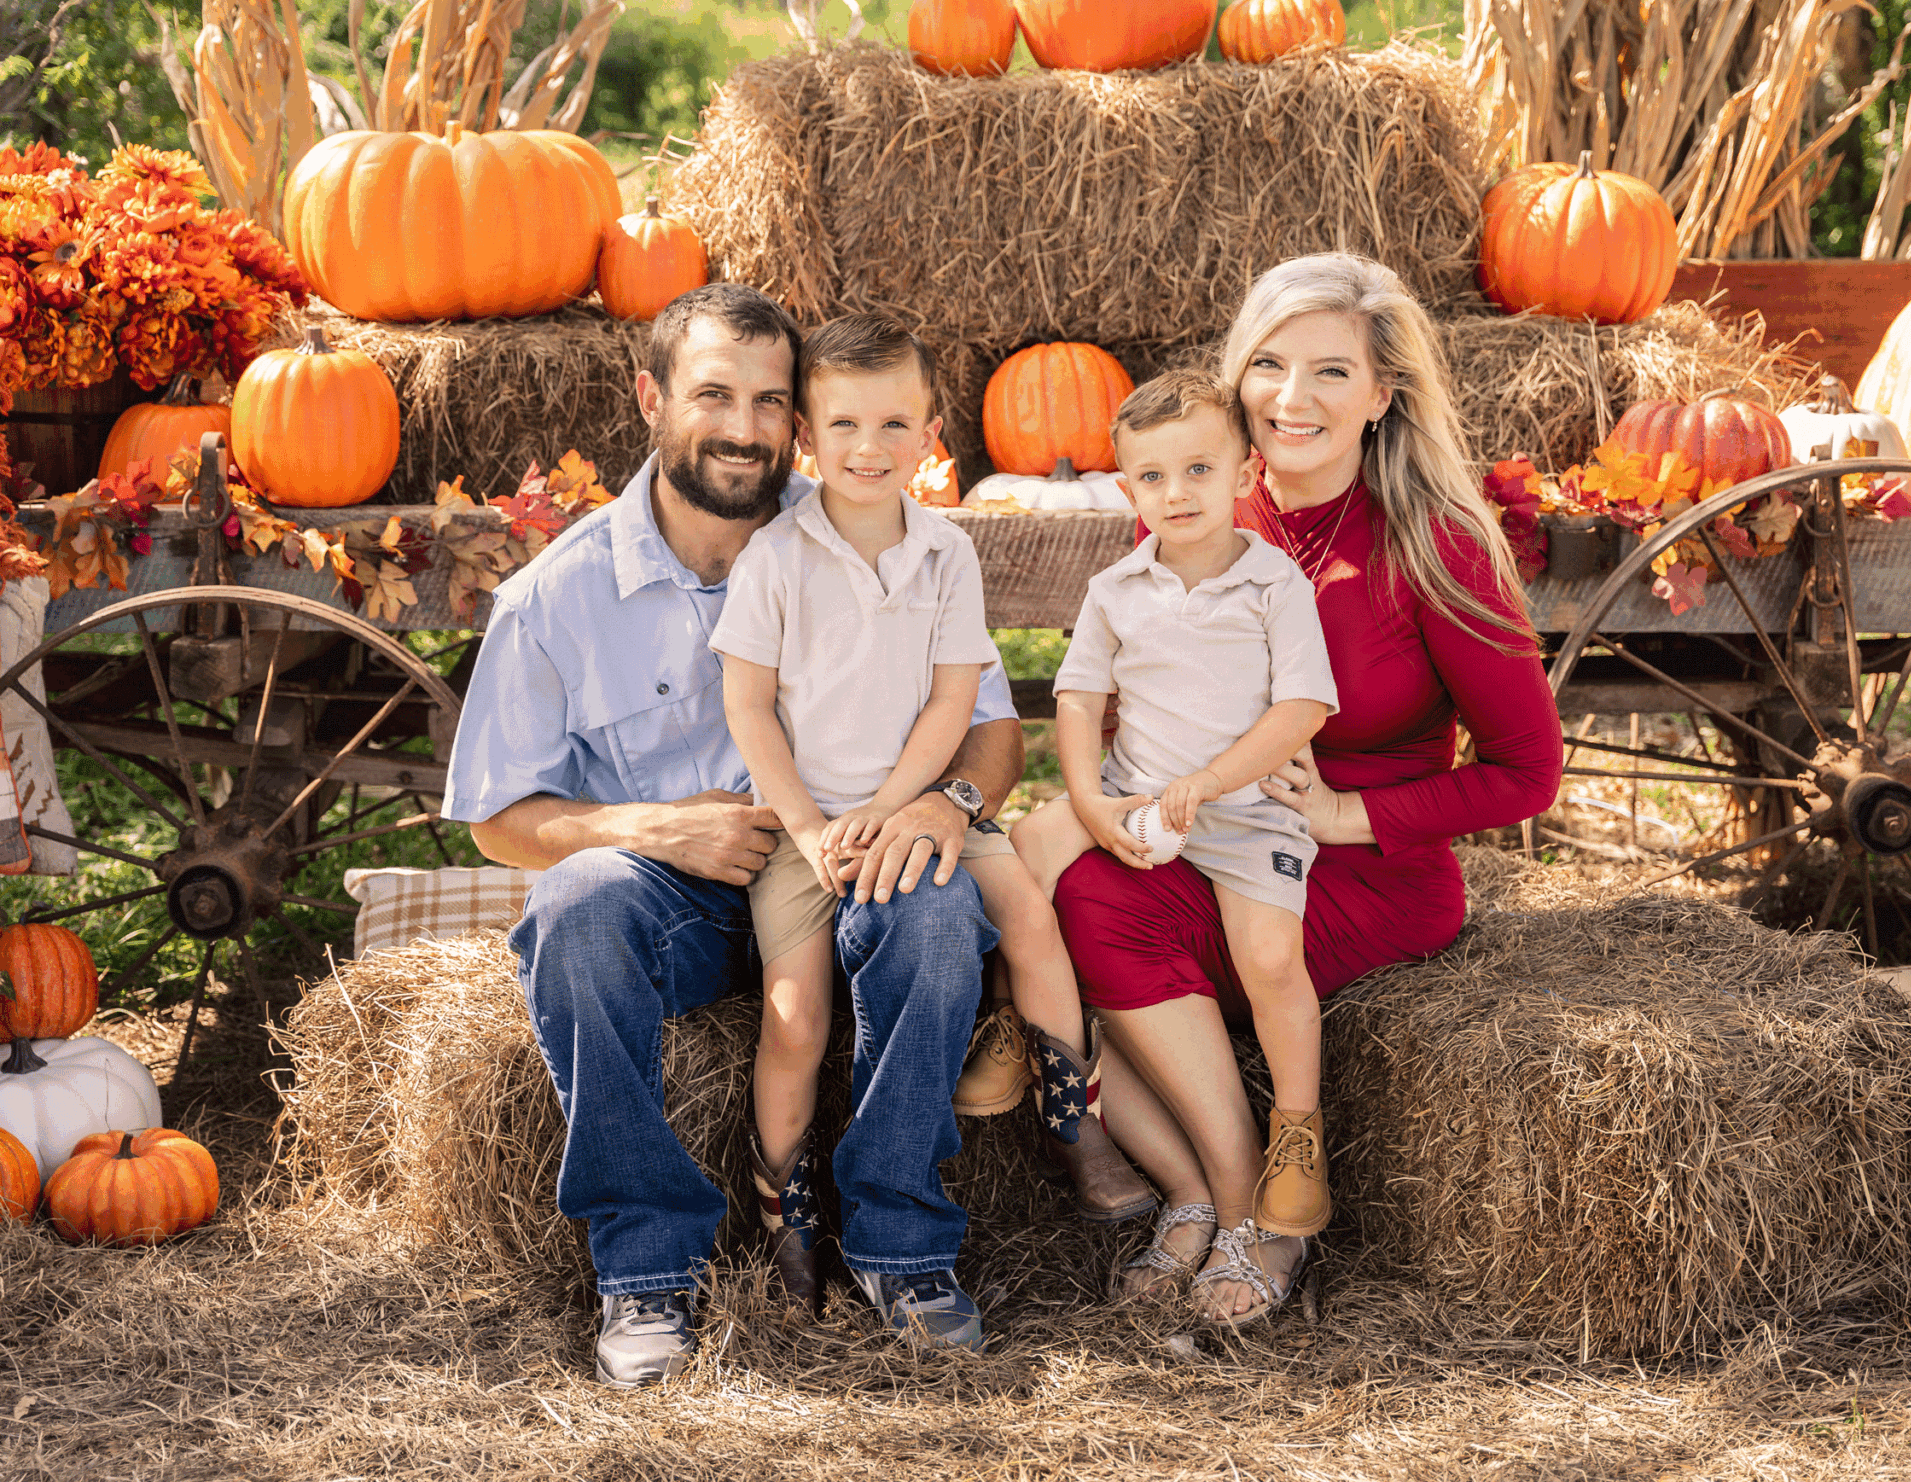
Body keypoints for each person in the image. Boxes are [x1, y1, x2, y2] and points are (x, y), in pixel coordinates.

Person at [442, 284, 1025, 1386]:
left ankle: (901, 1243)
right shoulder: (555, 599)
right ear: (651, 398)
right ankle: (646, 1265)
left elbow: (991, 729)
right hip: (683, 897)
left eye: (768, 401)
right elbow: (497, 822)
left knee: (940, 906)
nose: (745, 429)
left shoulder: (867, 526)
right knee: (575, 906)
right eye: (714, 395)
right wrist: (653, 828)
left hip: (849, 858)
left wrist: (941, 803)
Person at [1049, 253, 1564, 1326]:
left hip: (1360, 869)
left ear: (1381, 395)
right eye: (1269, 366)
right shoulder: (1196, 504)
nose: (1293, 397)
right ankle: (1207, 1193)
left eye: (1331, 371)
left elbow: (1529, 772)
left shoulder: (1437, 547)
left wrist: (1343, 814)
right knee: (1062, 898)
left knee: (1116, 932)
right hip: (1206, 829)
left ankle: (1268, 1218)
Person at [711, 314, 1154, 1311]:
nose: (868, 448)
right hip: (804, 830)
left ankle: (1071, 1117)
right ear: (805, 437)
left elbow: (956, 703)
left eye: (892, 425)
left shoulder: (947, 552)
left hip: (913, 810)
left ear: (931, 435)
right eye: (843, 425)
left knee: (1029, 918)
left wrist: (892, 808)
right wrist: (813, 828)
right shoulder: (774, 559)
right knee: (794, 1018)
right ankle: (787, 1209)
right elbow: (748, 708)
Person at [1008, 370, 1339, 1264]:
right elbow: (1078, 699)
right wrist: (1088, 798)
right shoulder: (1117, 587)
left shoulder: (1274, 584)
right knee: (1019, 855)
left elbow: (1302, 709)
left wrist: (1215, 778)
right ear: (1129, 492)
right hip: (1137, 795)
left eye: (1198, 469)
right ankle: (1017, 1028)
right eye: (1153, 477)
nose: (1177, 492)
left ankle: (1296, 1136)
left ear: (1246, 475)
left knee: (1270, 958)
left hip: (1247, 813)